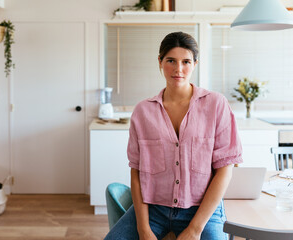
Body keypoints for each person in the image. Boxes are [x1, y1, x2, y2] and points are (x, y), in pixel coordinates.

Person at [104, 31, 243, 240]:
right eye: (171, 60)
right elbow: (136, 172)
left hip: (202, 210)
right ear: (160, 62)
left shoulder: (216, 104)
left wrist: (195, 229)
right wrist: (144, 230)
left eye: (186, 61)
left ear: (195, 63)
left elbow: (225, 169)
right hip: (154, 210)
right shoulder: (143, 111)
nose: (178, 69)